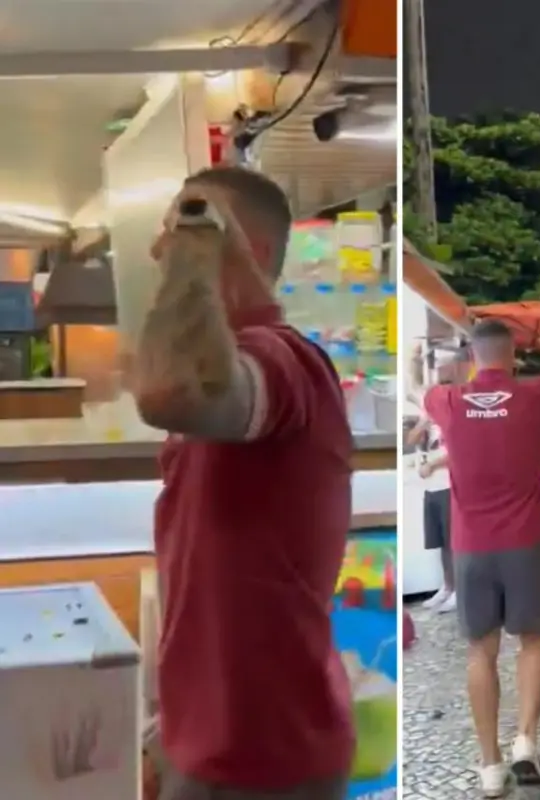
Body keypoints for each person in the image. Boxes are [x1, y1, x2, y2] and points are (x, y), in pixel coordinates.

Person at [132, 167, 353, 799]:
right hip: (204, 747)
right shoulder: (239, 362)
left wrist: (194, 244)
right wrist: (167, 732)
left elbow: (173, 389)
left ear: (244, 248)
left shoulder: (288, 362)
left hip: (266, 760)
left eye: (181, 225)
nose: (161, 248)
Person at [415, 319, 540, 796]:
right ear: (513, 355)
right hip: (525, 543)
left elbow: (416, 387)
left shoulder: (447, 401)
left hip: (472, 548)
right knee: (533, 640)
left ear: (475, 357)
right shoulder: (535, 394)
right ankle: (525, 740)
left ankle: (489, 765)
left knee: (480, 651)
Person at [408, 408, 456, 613]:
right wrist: (424, 421)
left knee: (453, 542)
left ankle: (459, 591)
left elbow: (457, 452)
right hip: (430, 489)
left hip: (448, 487)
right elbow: (411, 440)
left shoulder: (451, 421)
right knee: (441, 543)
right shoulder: (427, 424)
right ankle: (447, 586)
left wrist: (433, 466)